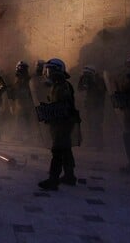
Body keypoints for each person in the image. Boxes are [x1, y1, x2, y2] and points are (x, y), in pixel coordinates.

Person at [37, 58, 81, 191]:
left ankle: (53, 180)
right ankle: (69, 176)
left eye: (50, 70)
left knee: (57, 150)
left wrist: (50, 111)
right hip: (61, 121)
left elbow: (62, 105)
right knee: (66, 149)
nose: (47, 72)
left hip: (63, 122)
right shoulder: (58, 84)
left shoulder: (62, 86)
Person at [77, 65, 106, 150]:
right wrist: (82, 79)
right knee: (89, 124)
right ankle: (93, 141)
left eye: (87, 74)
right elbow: (80, 89)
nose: (86, 75)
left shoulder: (99, 80)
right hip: (89, 106)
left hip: (98, 106)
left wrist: (93, 82)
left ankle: (99, 144)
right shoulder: (87, 80)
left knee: (96, 124)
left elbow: (101, 90)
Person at [7, 61, 35, 141]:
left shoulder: (26, 79)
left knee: (25, 119)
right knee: (20, 119)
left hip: (26, 101)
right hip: (20, 101)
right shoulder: (19, 78)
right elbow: (14, 89)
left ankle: (27, 136)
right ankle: (20, 135)